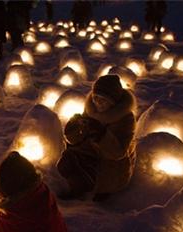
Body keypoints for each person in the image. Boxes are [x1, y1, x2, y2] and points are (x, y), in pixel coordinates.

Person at [57, 74, 137, 202]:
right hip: (92, 152)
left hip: (113, 163)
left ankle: (102, 189)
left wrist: (102, 134)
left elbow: (118, 152)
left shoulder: (125, 119)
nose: (98, 102)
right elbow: (75, 140)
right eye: (95, 98)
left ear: (113, 101)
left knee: (102, 175)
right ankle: (77, 185)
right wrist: (74, 127)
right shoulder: (91, 110)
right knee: (67, 160)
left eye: (103, 99)